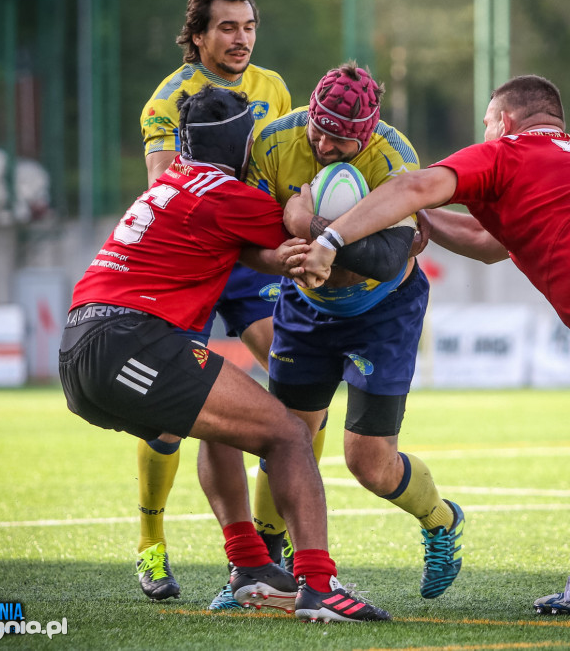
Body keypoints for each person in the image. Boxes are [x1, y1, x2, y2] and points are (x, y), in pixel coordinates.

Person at [290, 74, 570, 627]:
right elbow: (491, 247)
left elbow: (413, 186)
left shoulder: (507, 152)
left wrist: (329, 237)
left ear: (505, 122)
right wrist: (419, 219)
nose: (484, 133)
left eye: (487, 123)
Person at [60, 84, 389, 623]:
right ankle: (319, 585)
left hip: (82, 348)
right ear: (241, 144)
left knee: (226, 424)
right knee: (286, 432)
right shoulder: (227, 195)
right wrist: (326, 218)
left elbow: (255, 251)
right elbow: (306, 229)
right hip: (130, 342)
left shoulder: (173, 182)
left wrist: (281, 255)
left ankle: (251, 567)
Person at [206, 62, 465, 610]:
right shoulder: (275, 140)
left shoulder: (395, 158)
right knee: (283, 438)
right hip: (306, 307)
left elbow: (388, 256)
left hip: (384, 311)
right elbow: (247, 229)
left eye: (341, 138)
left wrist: (304, 224)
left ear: (367, 133)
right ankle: (261, 570)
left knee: (368, 462)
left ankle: (440, 519)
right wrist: (296, 242)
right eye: (318, 129)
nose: (324, 143)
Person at [135, 0, 293, 602]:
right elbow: (161, 186)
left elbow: (286, 170)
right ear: (196, 38)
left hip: (252, 256)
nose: (241, 38)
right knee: (173, 417)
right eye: (227, 27)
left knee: (296, 384)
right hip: (196, 258)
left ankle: (263, 549)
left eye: (249, 26)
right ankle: (151, 543)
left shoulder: (274, 88)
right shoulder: (166, 100)